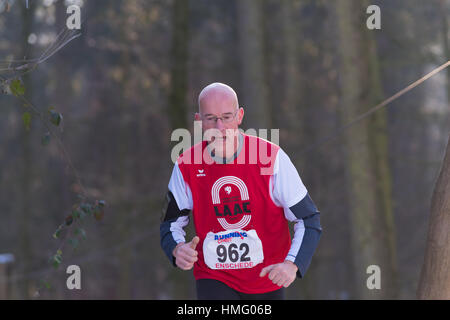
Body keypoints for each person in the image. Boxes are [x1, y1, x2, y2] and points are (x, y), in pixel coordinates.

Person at [160, 82, 322, 300]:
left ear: (240, 116)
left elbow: (308, 219)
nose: (220, 128)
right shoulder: (186, 164)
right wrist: (177, 249)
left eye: (227, 117)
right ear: (199, 121)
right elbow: (170, 223)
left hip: (267, 277)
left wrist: (292, 264)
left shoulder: (271, 158)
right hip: (214, 275)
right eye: (211, 118)